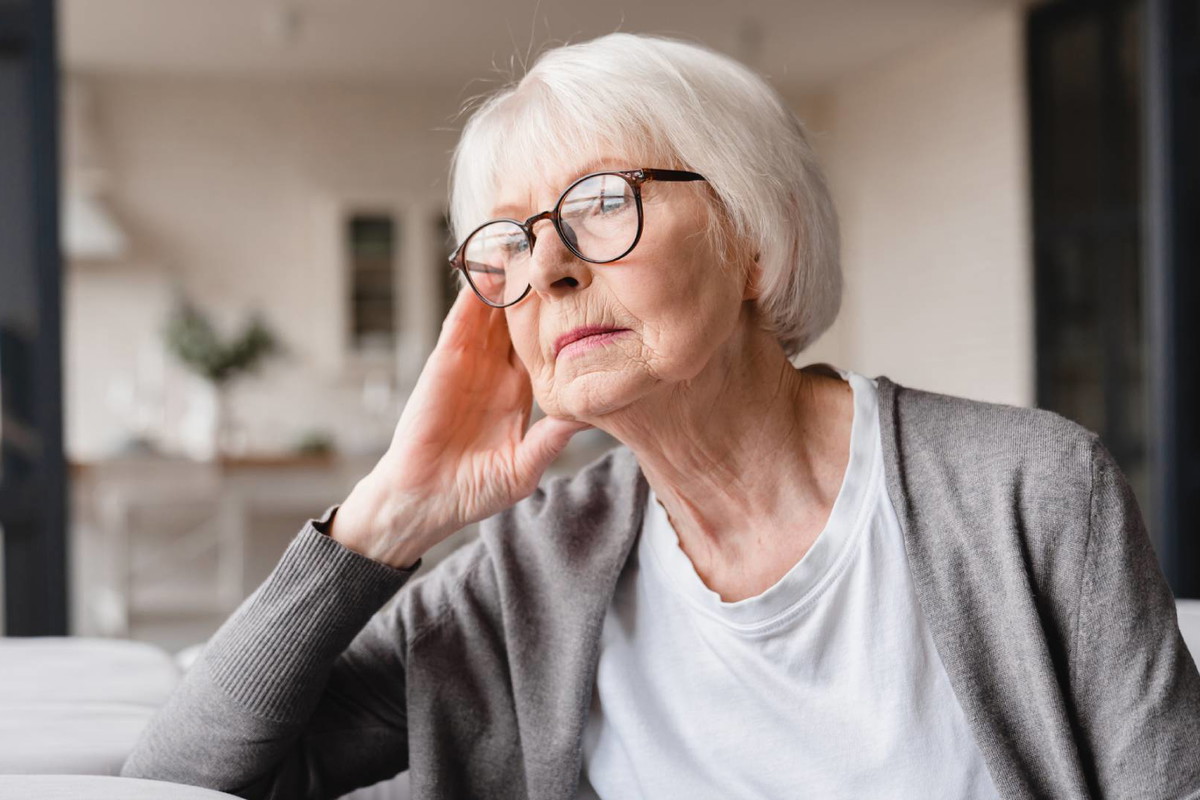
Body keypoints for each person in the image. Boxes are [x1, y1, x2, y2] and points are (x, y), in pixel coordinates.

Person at [121, 32, 1200, 799]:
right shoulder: (527, 573)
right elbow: (180, 779)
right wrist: (388, 516)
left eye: (600, 203)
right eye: (507, 239)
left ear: (755, 239)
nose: (546, 266)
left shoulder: (1032, 489)